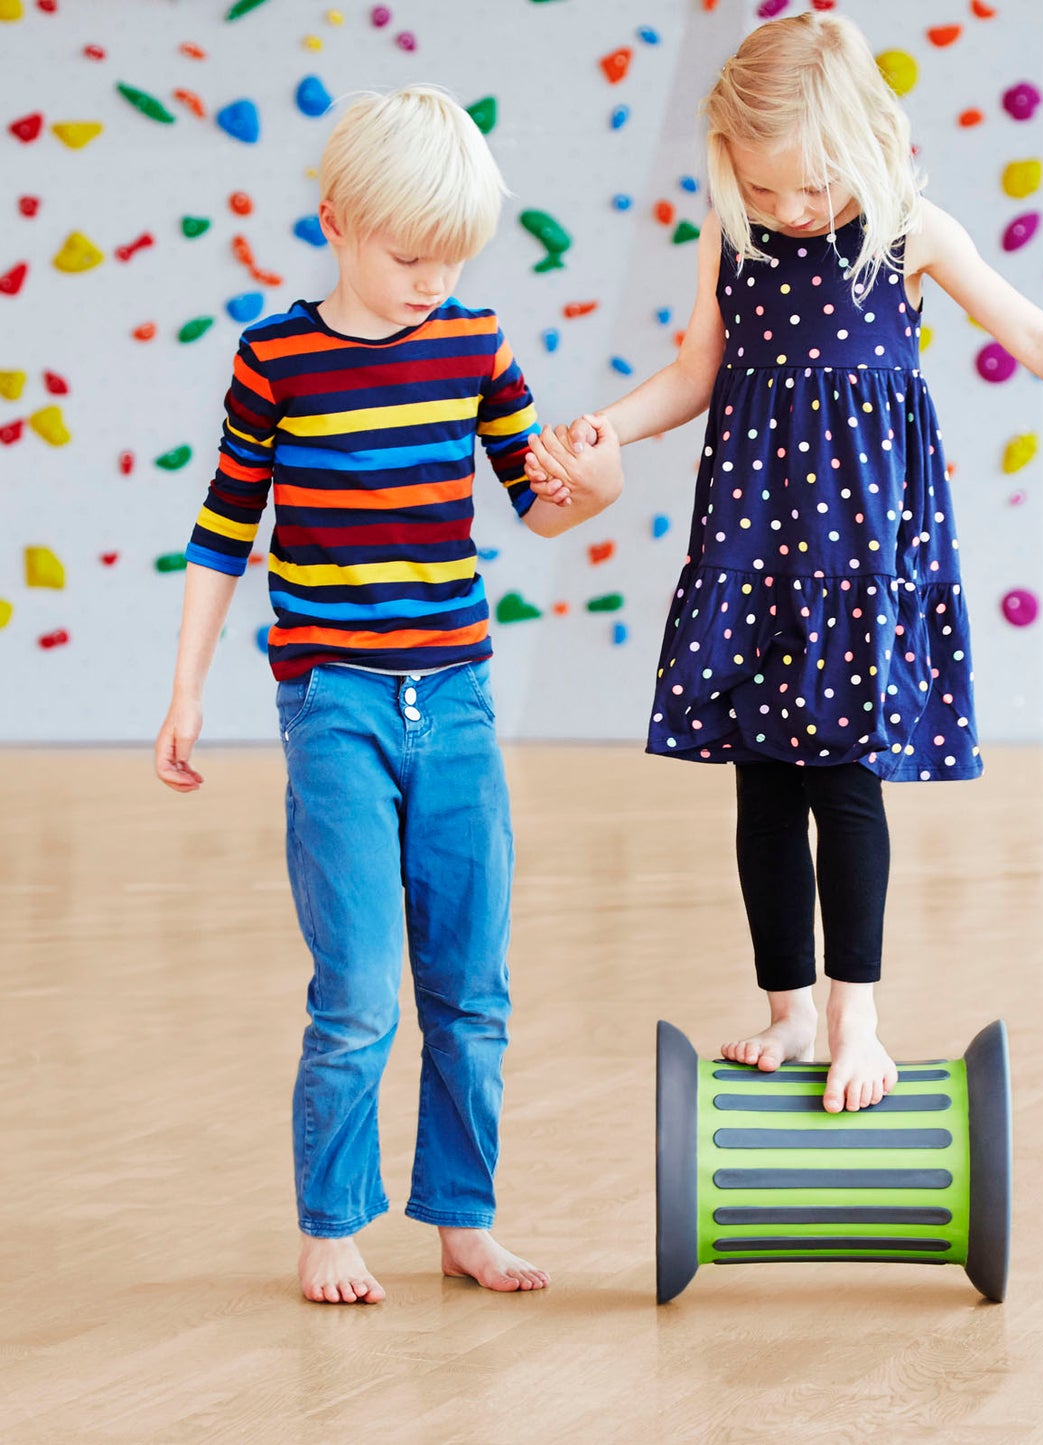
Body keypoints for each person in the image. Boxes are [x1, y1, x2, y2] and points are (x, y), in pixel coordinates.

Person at [524, 14, 1043, 1113]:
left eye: (805, 190)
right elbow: (691, 373)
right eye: (762, 190)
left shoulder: (910, 233)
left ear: (866, 143)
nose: (787, 212)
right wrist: (607, 431)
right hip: (754, 537)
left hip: (858, 552)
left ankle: (854, 1013)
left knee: (841, 780)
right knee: (760, 781)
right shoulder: (735, 231)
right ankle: (787, 1008)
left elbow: (1037, 335)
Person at [154, 85, 621, 1304]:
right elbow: (222, 531)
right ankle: (330, 1222)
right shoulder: (276, 358)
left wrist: (596, 486)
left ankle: (463, 1215)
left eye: (453, 255)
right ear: (338, 224)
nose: (432, 279)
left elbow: (540, 500)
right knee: (358, 986)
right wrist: (187, 690)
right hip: (336, 704)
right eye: (410, 254)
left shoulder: (475, 344)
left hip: (455, 702)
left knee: (472, 985)